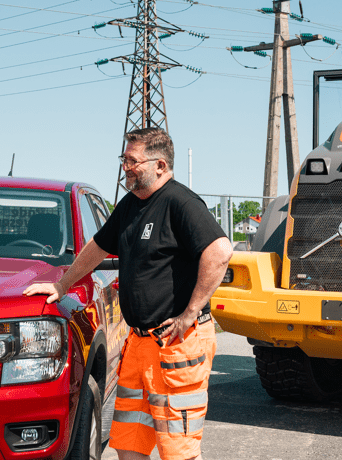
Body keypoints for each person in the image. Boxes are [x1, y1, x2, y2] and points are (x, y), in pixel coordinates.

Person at [24, 127, 232, 460]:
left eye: (133, 161)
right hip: (139, 346)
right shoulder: (131, 204)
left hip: (175, 345)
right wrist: (62, 284)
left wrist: (190, 313)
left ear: (160, 166)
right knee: (129, 445)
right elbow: (97, 247)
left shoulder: (180, 202)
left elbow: (219, 250)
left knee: (179, 451)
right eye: (124, 159)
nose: (126, 167)